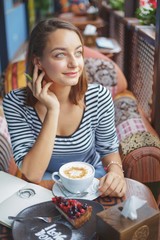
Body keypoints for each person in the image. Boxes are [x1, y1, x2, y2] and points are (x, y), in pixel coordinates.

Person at [3, 18, 126, 197]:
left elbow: (109, 150)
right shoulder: (15, 103)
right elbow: (33, 173)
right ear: (38, 61)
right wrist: (53, 110)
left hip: (92, 183)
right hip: (45, 186)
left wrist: (116, 173)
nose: (74, 63)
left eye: (78, 53)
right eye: (60, 55)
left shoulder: (99, 96)